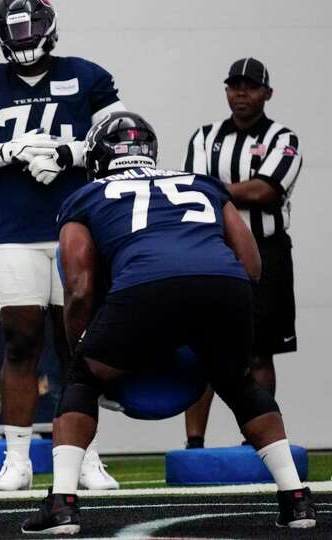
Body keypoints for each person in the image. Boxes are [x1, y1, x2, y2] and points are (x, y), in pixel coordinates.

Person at [22, 111, 316, 534]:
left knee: (82, 379)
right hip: (225, 285)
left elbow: (81, 287)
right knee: (239, 384)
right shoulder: (201, 183)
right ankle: (296, 499)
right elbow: (251, 264)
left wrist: (81, 347)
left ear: (98, 157)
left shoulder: (86, 196)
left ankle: (62, 505)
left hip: (146, 285)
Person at [0, 0, 122, 491]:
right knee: (20, 342)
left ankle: (85, 456)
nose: (23, 44)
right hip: (16, 231)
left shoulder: (87, 76)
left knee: (76, 344)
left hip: (77, 228)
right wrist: (9, 150)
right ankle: (17, 459)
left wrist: (69, 152)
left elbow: (124, 138)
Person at [181, 58, 303, 450]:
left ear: (267, 93)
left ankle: (258, 443)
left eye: (249, 87)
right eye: (234, 86)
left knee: (260, 351)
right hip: (213, 250)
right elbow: (192, 189)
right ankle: (194, 444)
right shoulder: (205, 136)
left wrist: (215, 187)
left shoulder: (283, 138)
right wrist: (229, 189)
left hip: (266, 252)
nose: (241, 94)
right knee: (202, 348)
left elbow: (266, 191)